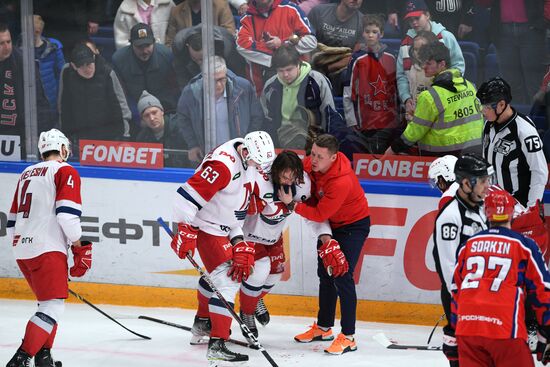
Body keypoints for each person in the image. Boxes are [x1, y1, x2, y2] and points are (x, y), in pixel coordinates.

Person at [171, 130, 275, 363]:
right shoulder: (222, 166)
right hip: (206, 227)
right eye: (258, 163)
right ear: (246, 151)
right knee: (228, 279)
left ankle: (202, 324)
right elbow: (183, 198)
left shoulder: (248, 159)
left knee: (220, 276)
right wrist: (184, 230)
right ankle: (217, 343)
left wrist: (238, 241)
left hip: (223, 228)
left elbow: (232, 214)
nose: (261, 169)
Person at [5, 128, 92, 367]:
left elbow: (11, 222)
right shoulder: (65, 170)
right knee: (52, 306)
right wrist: (79, 246)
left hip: (22, 250)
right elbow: (67, 216)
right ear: (63, 149)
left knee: (46, 304)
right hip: (48, 248)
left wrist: (21, 244)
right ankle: (21, 359)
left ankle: (44, 358)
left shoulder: (26, 173)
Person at [278, 134, 371, 355]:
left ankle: (348, 336)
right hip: (332, 224)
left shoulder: (341, 180)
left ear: (333, 157)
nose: (314, 160)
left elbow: (319, 213)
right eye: (312, 153)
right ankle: (323, 327)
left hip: (352, 226)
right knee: (325, 274)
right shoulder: (312, 161)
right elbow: (302, 174)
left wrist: (291, 204)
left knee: (342, 275)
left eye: (320, 156)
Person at [450, 187, 550, 367]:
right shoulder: (524, 245)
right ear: (512, 213)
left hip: (467, 328)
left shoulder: (468, 245)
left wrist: (452, 333)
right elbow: (543, 289)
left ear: (486, 213)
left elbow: (456, 290)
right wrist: (547, 329)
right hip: (504, 329)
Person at [477, 77, 549, 257]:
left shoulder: (524, 130)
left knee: (524, 264)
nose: (483, 111)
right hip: (495, 208)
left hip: (521, 210)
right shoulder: (488, 126)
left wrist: (531, 209)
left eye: (486, 106)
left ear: (501, 105)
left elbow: (540, 171)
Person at [432, 153, 492, 367]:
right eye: (483, 181)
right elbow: (447, 266)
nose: (488, 186)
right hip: (462, 299)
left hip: (480, 296)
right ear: (466, 183)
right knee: (462, 354)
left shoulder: (481, 209)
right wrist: (465, 301)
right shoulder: (450, 217)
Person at [385, 42, 483, 156]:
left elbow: (414, 132)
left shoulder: (430, 96)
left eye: (428, 63)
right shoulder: (470, 86)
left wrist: (392, 150)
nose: (423, 67)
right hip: (475, 153)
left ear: (442, 64)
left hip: (441, 157)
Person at [176, 55, 264, 164]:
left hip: (238, 154)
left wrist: (247, 144)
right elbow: (183, 119)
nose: (218, 85)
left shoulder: (243, 88)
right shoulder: (191, 92)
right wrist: (193, 144)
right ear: (204, 77)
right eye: (213, 81)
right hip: (207, 156)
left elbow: (257, 117)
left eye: (222, 79)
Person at [261, 44, 346, 151]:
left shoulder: (317, 81)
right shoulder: (270, 86)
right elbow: (268, 120)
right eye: (281, 71)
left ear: (298, 64)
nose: (285, 74)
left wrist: (326, 146)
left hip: (313, 142)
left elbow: (330, 115)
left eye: (289, 69)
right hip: (281, 142)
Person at [396, 0, 465, 122]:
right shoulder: (405, 43)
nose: (414, 23)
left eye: (417, 18)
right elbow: (401, 75)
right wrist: (406, 98)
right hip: (416, 105)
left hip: (445, 102)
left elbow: (458, 66)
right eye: (410, 20)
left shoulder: (446, 37)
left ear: (427, 15)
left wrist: (446, 90)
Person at [343, 13, 399, 154]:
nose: (370, 35)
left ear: (382, 34)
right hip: (364, 121)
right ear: (362, 33)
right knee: (368, 158)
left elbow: (398, 87)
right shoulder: (356, 58)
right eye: (367, 32)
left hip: (388, 120)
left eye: (375, 32)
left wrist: (399, 115)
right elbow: (348, 91)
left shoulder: (391, 56)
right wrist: (351, 120)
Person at [236, 0, 317, 95]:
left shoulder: (291, 9)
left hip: (298, 83)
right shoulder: (246, 18)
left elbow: (311, 41)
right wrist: (279, 55)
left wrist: (283, 44)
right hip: (261, 88)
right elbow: (242, 46)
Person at [60, 42, 132, 146]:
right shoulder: (67, 74)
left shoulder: (108, 73)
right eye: (82, 66)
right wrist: (65, 136)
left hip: (108, 136)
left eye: (89, 64)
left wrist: (125, 137)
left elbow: (121, 106)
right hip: (80, 136)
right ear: (73, 66)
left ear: (94, 58)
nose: (87, 69)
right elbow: (64, 107)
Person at [475, 0, 546, 104]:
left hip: (532, 29)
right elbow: (484, 3)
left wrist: (544, 19)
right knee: (511, 84)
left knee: (535, 83)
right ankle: (515, 118)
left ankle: (537, 119)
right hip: (502, 30)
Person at [112, 23, 179, 117]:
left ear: (154, 42)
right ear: (131, 44)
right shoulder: (119, 60)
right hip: (134, 109)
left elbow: (174, 88)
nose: (144, 51)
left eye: (148, 45)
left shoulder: (166, 55)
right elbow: (121, 93)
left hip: (165, 107)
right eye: (139, 47)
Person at [172, 24, 246, 89]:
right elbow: (182, 78)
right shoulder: (180, 47)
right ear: (187, 46)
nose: (199, 63)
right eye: (195, 59)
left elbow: (238, 78)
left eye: (202, 59)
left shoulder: (227, 48)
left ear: (211, 50)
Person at [135, 90, 190, 168]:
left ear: (162, 112)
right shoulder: (142, 138)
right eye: (146, 115)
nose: (152, 118)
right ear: (143, 120)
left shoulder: (181, 129)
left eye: (154, 112)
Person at [32, 15, 66, 123]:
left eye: (36, 31)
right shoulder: (19, 51)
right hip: (29, 101)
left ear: (40, 31)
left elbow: (62, 74)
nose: (32, 35)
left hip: (51, 100)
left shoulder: (54, 50)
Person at [164, 0, 235, 47]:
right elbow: (170, 42)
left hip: (215, 56)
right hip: (187, 60)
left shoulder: (221, 6)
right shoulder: (176, 11)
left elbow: (229, 35)